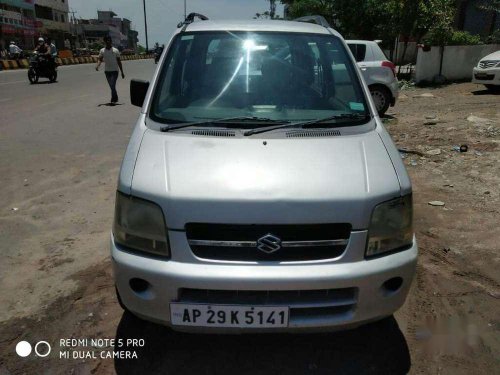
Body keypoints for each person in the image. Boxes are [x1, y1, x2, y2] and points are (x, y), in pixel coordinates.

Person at [95, 36, 125, 104]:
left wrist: (122, 72)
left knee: (112, 84)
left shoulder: (115, 50)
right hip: (107, 71)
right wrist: (97, 65)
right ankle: (115, 97)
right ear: (105, 42)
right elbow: (100, 59)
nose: (108, 42)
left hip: (115, 71)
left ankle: (113, 98)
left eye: (109, 40)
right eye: (106, 41)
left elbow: (119, 61)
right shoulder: (102, 50)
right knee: (111, 86)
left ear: (111, 41)